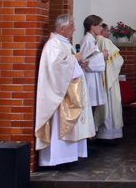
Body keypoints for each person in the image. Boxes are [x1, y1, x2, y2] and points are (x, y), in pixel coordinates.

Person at [35, 14, 95, 166]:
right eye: (71, 26)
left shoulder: (63, 43)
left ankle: (68, 157)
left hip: (69, 91)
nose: (74, 29)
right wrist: (75, 59)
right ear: (62, 28)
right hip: (59, 96)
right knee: (59, 126)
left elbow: (68, 63)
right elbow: (56, 67)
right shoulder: (53, 44)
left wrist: (79, 63)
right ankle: (57, 159)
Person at [94, 23, 124, 140]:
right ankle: (110, 134)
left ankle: (101, 133)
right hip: (109, 78)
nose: (109, 33)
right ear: (102, 31)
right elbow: (118, 60)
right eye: (107, 31)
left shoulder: (94, 41)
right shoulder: (105, 41)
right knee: (111, 104)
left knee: (102, 105)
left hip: (99, 79)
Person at [79, 15, 107, 122]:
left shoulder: (92, 39)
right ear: (92, 26)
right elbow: (84, 62)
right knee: (89, 108)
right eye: (99, 25)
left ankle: (91, 129)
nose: (101, 28)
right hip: (89, 78)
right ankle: (88, 130)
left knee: (93, 108)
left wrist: (101, 56)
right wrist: (102, 56)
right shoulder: (87, 40)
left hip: (94, 77)